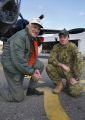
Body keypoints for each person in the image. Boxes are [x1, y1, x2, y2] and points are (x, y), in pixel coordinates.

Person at [1, 16, 44, 102]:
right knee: (18, 97)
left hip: (20, 61)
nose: (36, 30)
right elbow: (18, 60)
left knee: (39, 65)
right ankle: (2, 93)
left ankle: (31, 90)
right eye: (34, 27)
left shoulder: (31, 37)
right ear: (28, 26)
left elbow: (29, 54)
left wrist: (35, 69)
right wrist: (32, 72)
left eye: (38, 29)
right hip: (11, 65)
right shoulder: (20, 37)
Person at [46, 29, 84, 97]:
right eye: (61, 37)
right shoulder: (56, 47)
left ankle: (69, 82)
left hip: (70, 72)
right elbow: (51, 59)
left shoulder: (72, 46)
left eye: (64, 37)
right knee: (49, 67)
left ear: (68, 38)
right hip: (60, 69)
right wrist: (61, 64)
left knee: (76, 93)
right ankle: (59, 84)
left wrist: (76, 77)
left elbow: (79, 60)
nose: (62, 39)